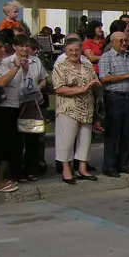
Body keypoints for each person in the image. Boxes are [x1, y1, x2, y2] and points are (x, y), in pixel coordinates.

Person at [52, 40, 99, 184]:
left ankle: (82, 168)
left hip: (87, 107)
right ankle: (66, 170)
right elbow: (59, 89)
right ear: (65, 52)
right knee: (66, 140)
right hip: (68, 108)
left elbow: (95, 81)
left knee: (85, 138)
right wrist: (81, 89)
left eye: (76, 50)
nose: (74, 53)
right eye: (70, 50)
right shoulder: (60, 66)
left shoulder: (87, 65)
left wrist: (95, 85)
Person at [98, 32, 129, 177]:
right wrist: (128, 75)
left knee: (127, 134)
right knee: (113, 134)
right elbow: (104, 78)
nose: (124, 43)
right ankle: (109, 166)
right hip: (114, 98)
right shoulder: (107, 57)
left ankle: (123, 163)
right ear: (112, 43)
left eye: (125, 40)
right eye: (120, 41)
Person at [9, 34, 47, 182]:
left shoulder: (36, 61)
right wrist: (21, 69)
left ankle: (31, 170)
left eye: (26, 46)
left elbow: (43, 79)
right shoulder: (8, 61)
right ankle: (16, 172)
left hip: (32, 102)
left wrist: (37, 88)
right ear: (14, 47)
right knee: (17, 140)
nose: (24, 49)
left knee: (33, 138)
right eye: (21, 46)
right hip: (15, 103)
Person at [0, 33, 20, 193]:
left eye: (3, 47)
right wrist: (16, 68)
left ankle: (1, 178)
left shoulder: (1, 63)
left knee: (7, 144)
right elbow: (1, 82)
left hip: (11, 108)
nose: (2, 50)